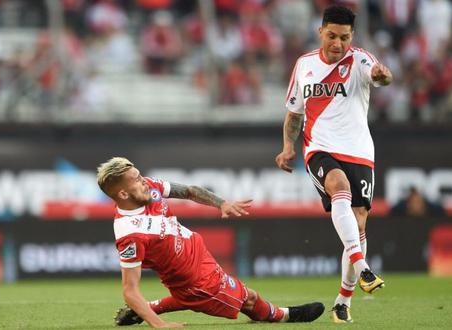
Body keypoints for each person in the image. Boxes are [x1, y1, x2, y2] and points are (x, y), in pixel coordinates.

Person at [96, 157, 324, 328]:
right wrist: (158, 324)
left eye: (140, 175)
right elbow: (130, 290)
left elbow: (189, 191)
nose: (143, 182)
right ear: (123, 195)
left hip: (199, 257)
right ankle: (284, 315)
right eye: (136, 180)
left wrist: (221, 203)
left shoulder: (148, 187)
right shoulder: (130, 234)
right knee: (249, 298)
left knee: (195, 298)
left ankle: (148, 309)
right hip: (198, 283)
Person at [275, 5, 392, 324]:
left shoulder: (361, 59)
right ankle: (363, 267)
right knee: (338, 186)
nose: (337, 43)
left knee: (359, 222)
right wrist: (288, 147)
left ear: (351, 36)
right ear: (320, 32)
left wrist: (383, 77)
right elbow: (295, 112)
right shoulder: (304, 65)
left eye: (344, 37)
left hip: (359, 151)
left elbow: (381, 76)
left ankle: (342, 301)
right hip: (319, 148)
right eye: (331, 36)